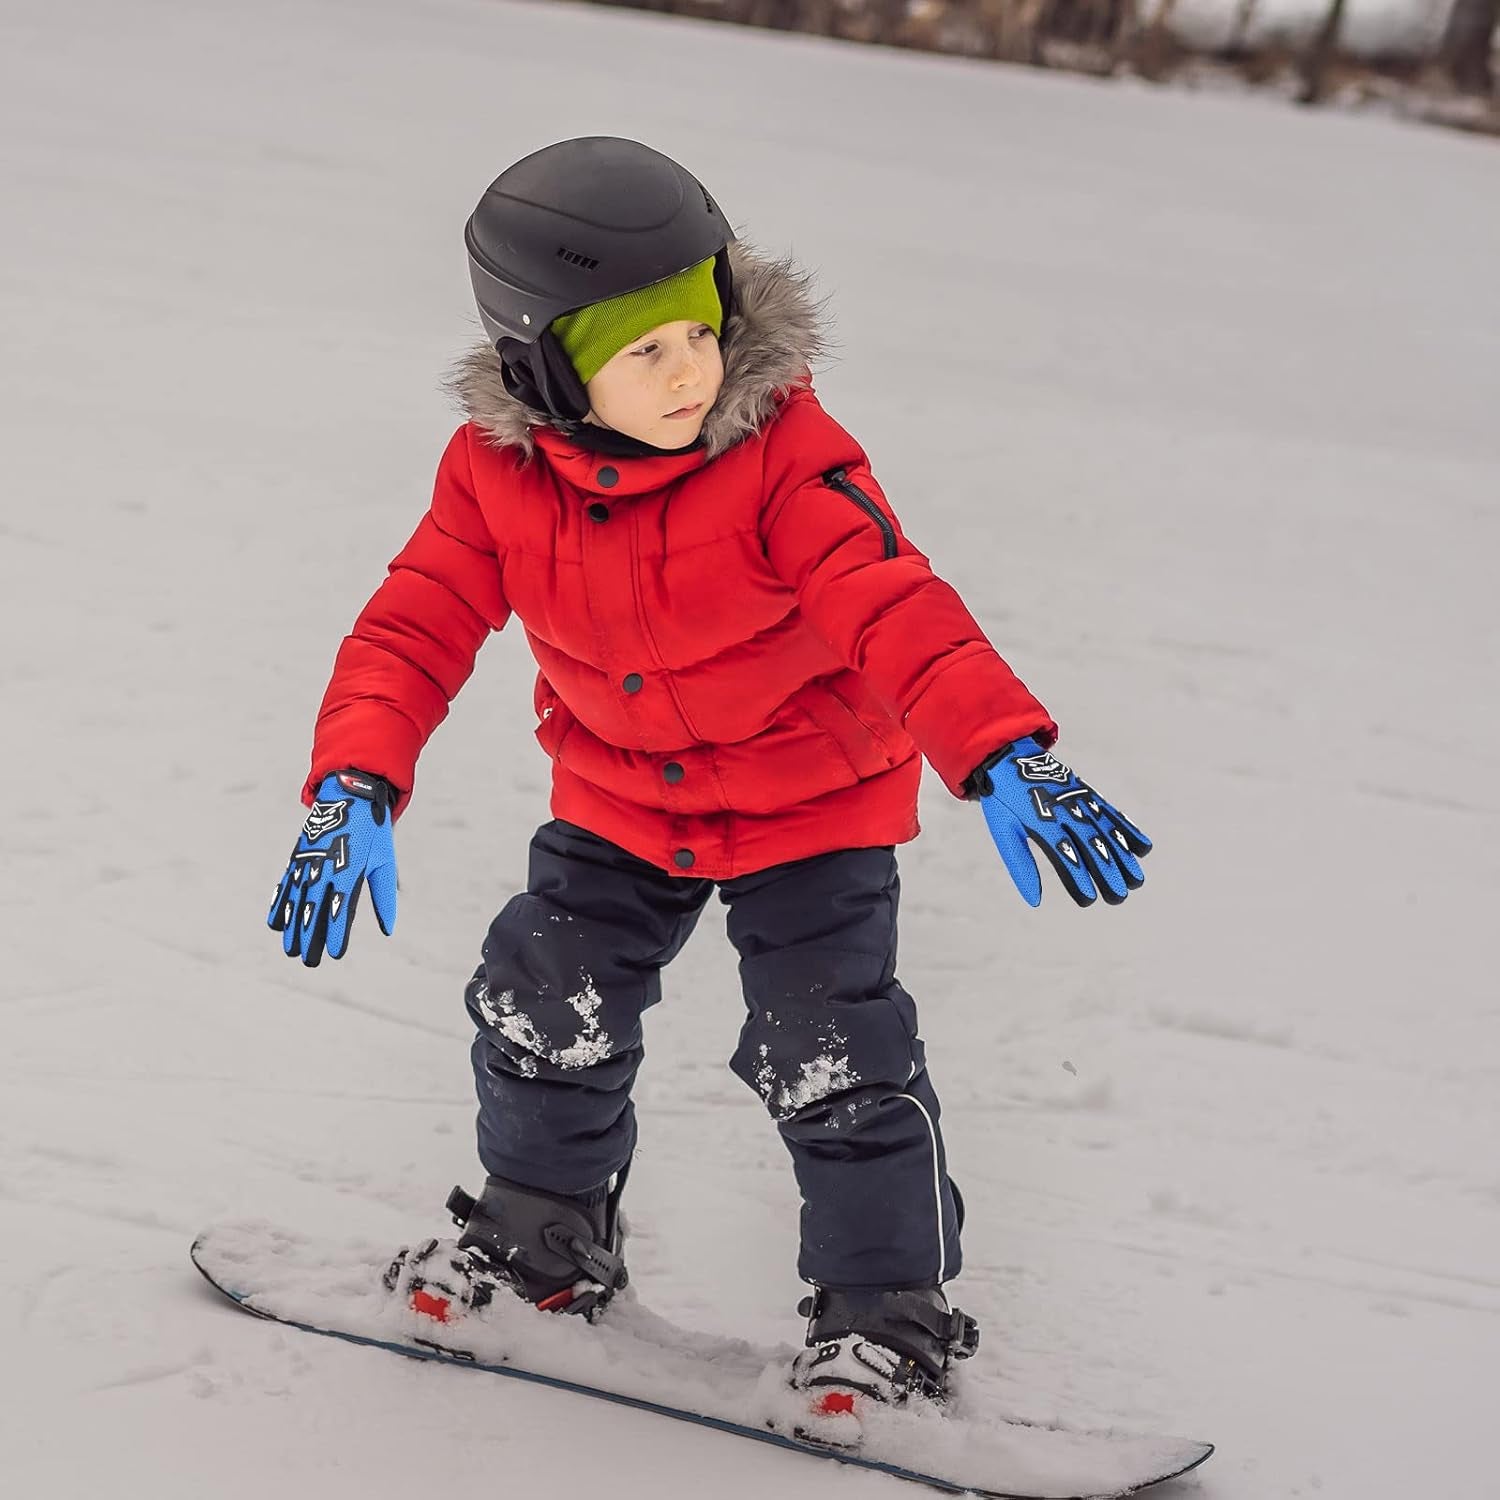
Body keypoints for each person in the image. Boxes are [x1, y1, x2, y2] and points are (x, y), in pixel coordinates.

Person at [267, 136, 1151, 1419]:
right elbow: (412, 627)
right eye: (644, 352)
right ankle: (541, 1241)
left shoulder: (787, 457)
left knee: (828, 1044)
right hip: (621, 798)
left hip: (811, 806)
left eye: (700, 330)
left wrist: (1000, 749)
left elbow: (893, 604)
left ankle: (887, 1313)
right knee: (540, 996)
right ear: (547, 367)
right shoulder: (497, 476)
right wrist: (353, 779)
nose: (691, 372)